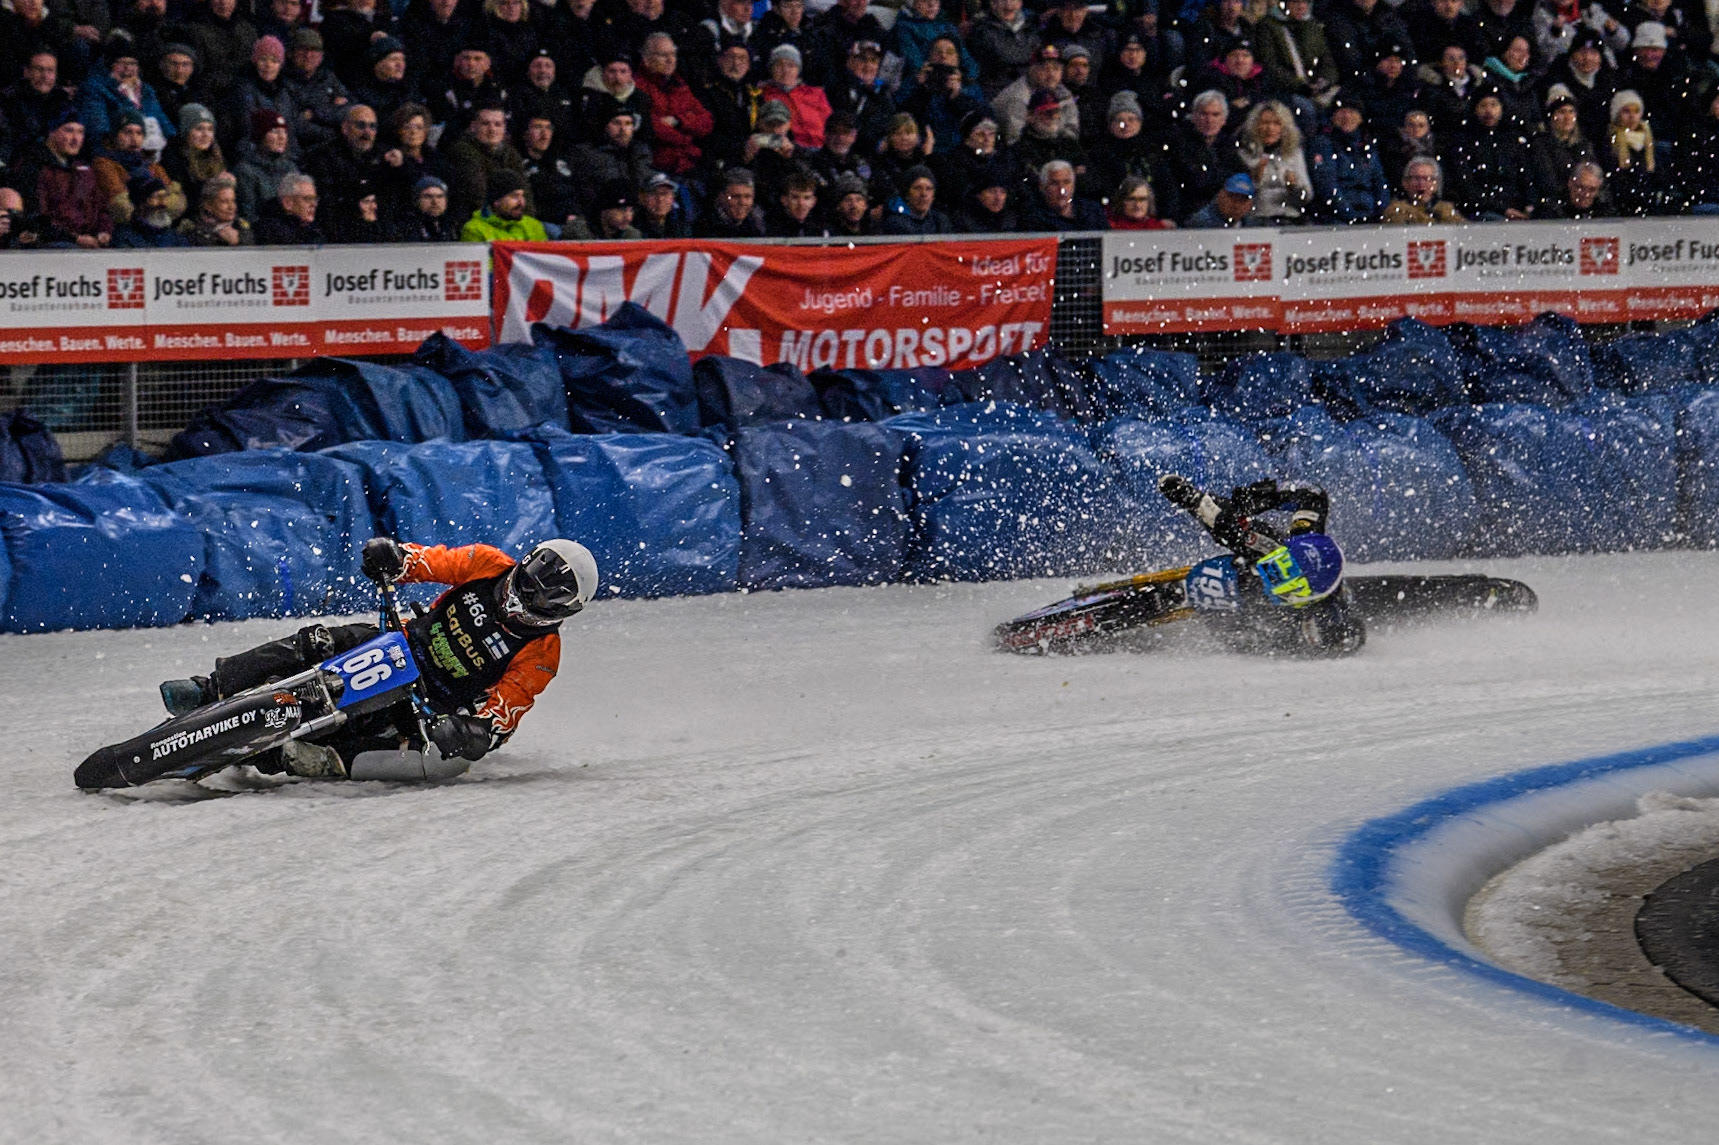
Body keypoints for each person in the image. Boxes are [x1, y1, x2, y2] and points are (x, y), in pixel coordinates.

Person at [156, 538, 600, 781]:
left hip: (428, 705)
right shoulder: (488, 563)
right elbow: (432, 561)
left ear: (560, 612)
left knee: (443, 763)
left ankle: (316, 759)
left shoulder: (542, 653)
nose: (515, 602)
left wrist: (476, 730)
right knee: (320, 640)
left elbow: (509, 707)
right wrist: (395, 557)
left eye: (533, 602)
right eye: (521, 586)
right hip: (397, 643)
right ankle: (211, 688)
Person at [1157, 474, 1364, 657]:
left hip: (1255, 614)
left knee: (1264, 633)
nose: (1269, 581)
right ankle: (1194, 499)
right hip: (1268, 556)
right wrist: (1265, 496)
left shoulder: (1327, 620)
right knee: (1231, 526)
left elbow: (1350, 639)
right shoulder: (1303, 533)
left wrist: (1240, 634)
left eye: (1276, 582)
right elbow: (1313, 494)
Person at [1309, 94, 1390, 222]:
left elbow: (1379, 181)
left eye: (1352, 111)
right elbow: (1327, 185)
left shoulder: (1368, 145)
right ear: (1333, 116)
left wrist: (1381, 212)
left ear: (1361, 118)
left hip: (1370, 215)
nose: (1347, 116)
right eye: (1342, 111)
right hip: (1335, 218)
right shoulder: (1323, 143)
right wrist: (1351, 216)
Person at [1235, 99, 1311, 223]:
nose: (1270, 128)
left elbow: (1306, 197)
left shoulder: (1294, 154)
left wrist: (1294, 187)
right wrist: (1255, 181)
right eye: (1265, 123)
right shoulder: (1244, 153)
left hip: (1291, 218)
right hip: (1257, 219)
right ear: (1255, 126)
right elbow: (1238, 198)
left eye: (1277, 123)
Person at [460, 166, 549, 240]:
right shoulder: (474, 229)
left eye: (522, 196)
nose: (521, 202)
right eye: (514, 196)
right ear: (496, 201)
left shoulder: (533, 225)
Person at [1020, 157, 1107, 229]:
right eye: (1054, 183)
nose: (1062, 189)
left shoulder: (1092, 212)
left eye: (1066, 182)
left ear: (1073, 185)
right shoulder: (1031, 217)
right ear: (1042, 187)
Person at [176, 171, 255, 243]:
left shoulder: (241, 226)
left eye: (233, 201)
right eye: (224, 201)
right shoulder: (191, 229)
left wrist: (238, 241)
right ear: (208, 205)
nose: (231, 207)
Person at [1380, 155, 1466, 221]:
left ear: (1436, 184)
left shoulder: (1446, 210)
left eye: (1427, 179)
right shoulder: (1394, 211)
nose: (1421, 183)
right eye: (1416, 178)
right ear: (1405, 183)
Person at [878, 163, 952, 233]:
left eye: (929, 188)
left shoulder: (941, 222)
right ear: (907, 194)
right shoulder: (894, 224)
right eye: (917, 188)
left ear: (933, 196)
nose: (924, 194)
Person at [255, 169, 324, 242]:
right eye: (307, 199)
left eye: (314, 199)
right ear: (287, 203)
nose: (314, 204)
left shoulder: (313, 230)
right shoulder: (270, 232)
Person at [392, 173, 458, 240]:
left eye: (439, 196)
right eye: (428, 196)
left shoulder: (454, 226)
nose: (435, 202)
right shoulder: (405, 228)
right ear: (417, 200)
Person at [1184, 169, 1258, 226]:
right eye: (1232, 197)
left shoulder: (1251, 224)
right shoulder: (1201, 223)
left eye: (1243, 200)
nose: (1236, 205)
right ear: (1220, 195)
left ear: (1250, 204)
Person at [1541, 158, 1615, 215]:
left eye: (1592, 189)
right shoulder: (1552, 210)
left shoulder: (1604, 210)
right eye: (1581, 187)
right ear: (1570, 183)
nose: (1586, 194)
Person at [1105, 174, 1172, 228]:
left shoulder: (1158, 228)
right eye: (1132, 199)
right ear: (1121, 201)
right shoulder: (1110, 227)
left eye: (1142, 199)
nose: (1138, 205)